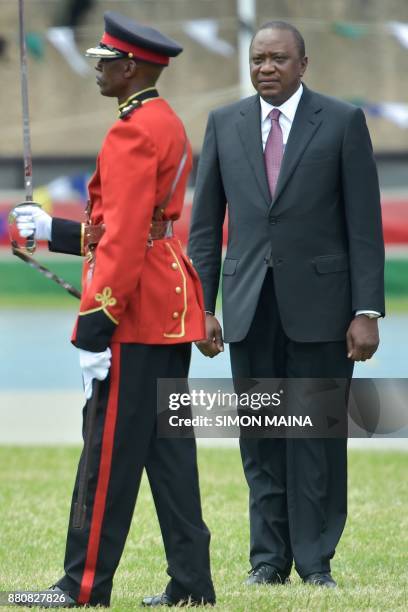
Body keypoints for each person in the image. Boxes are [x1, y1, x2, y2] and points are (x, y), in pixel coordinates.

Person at [13, 11, 215, 608]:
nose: (97, 70)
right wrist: (52, 230)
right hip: (166, 305)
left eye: (105, 63)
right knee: (168, 452)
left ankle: (81, 588)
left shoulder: (129, 131)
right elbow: (137, 228)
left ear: (130, 67)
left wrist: (94, 331)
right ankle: (191, 582)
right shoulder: (163, 120)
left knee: (106, 456)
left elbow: (124, 239)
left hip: (131, 314)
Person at [188, 21, 384, 588]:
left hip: (326, 311)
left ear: (304, 64)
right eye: (257, 60)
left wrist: (366, 310)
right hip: (249, 309)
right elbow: (204, 229)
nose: (266, 69)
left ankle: (316, 559)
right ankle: (267, 560)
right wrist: (203, 307)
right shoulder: (224, 124)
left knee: (317, 437)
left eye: (277, 59)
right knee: (261, 437)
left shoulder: (343, 122)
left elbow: (364, 226)